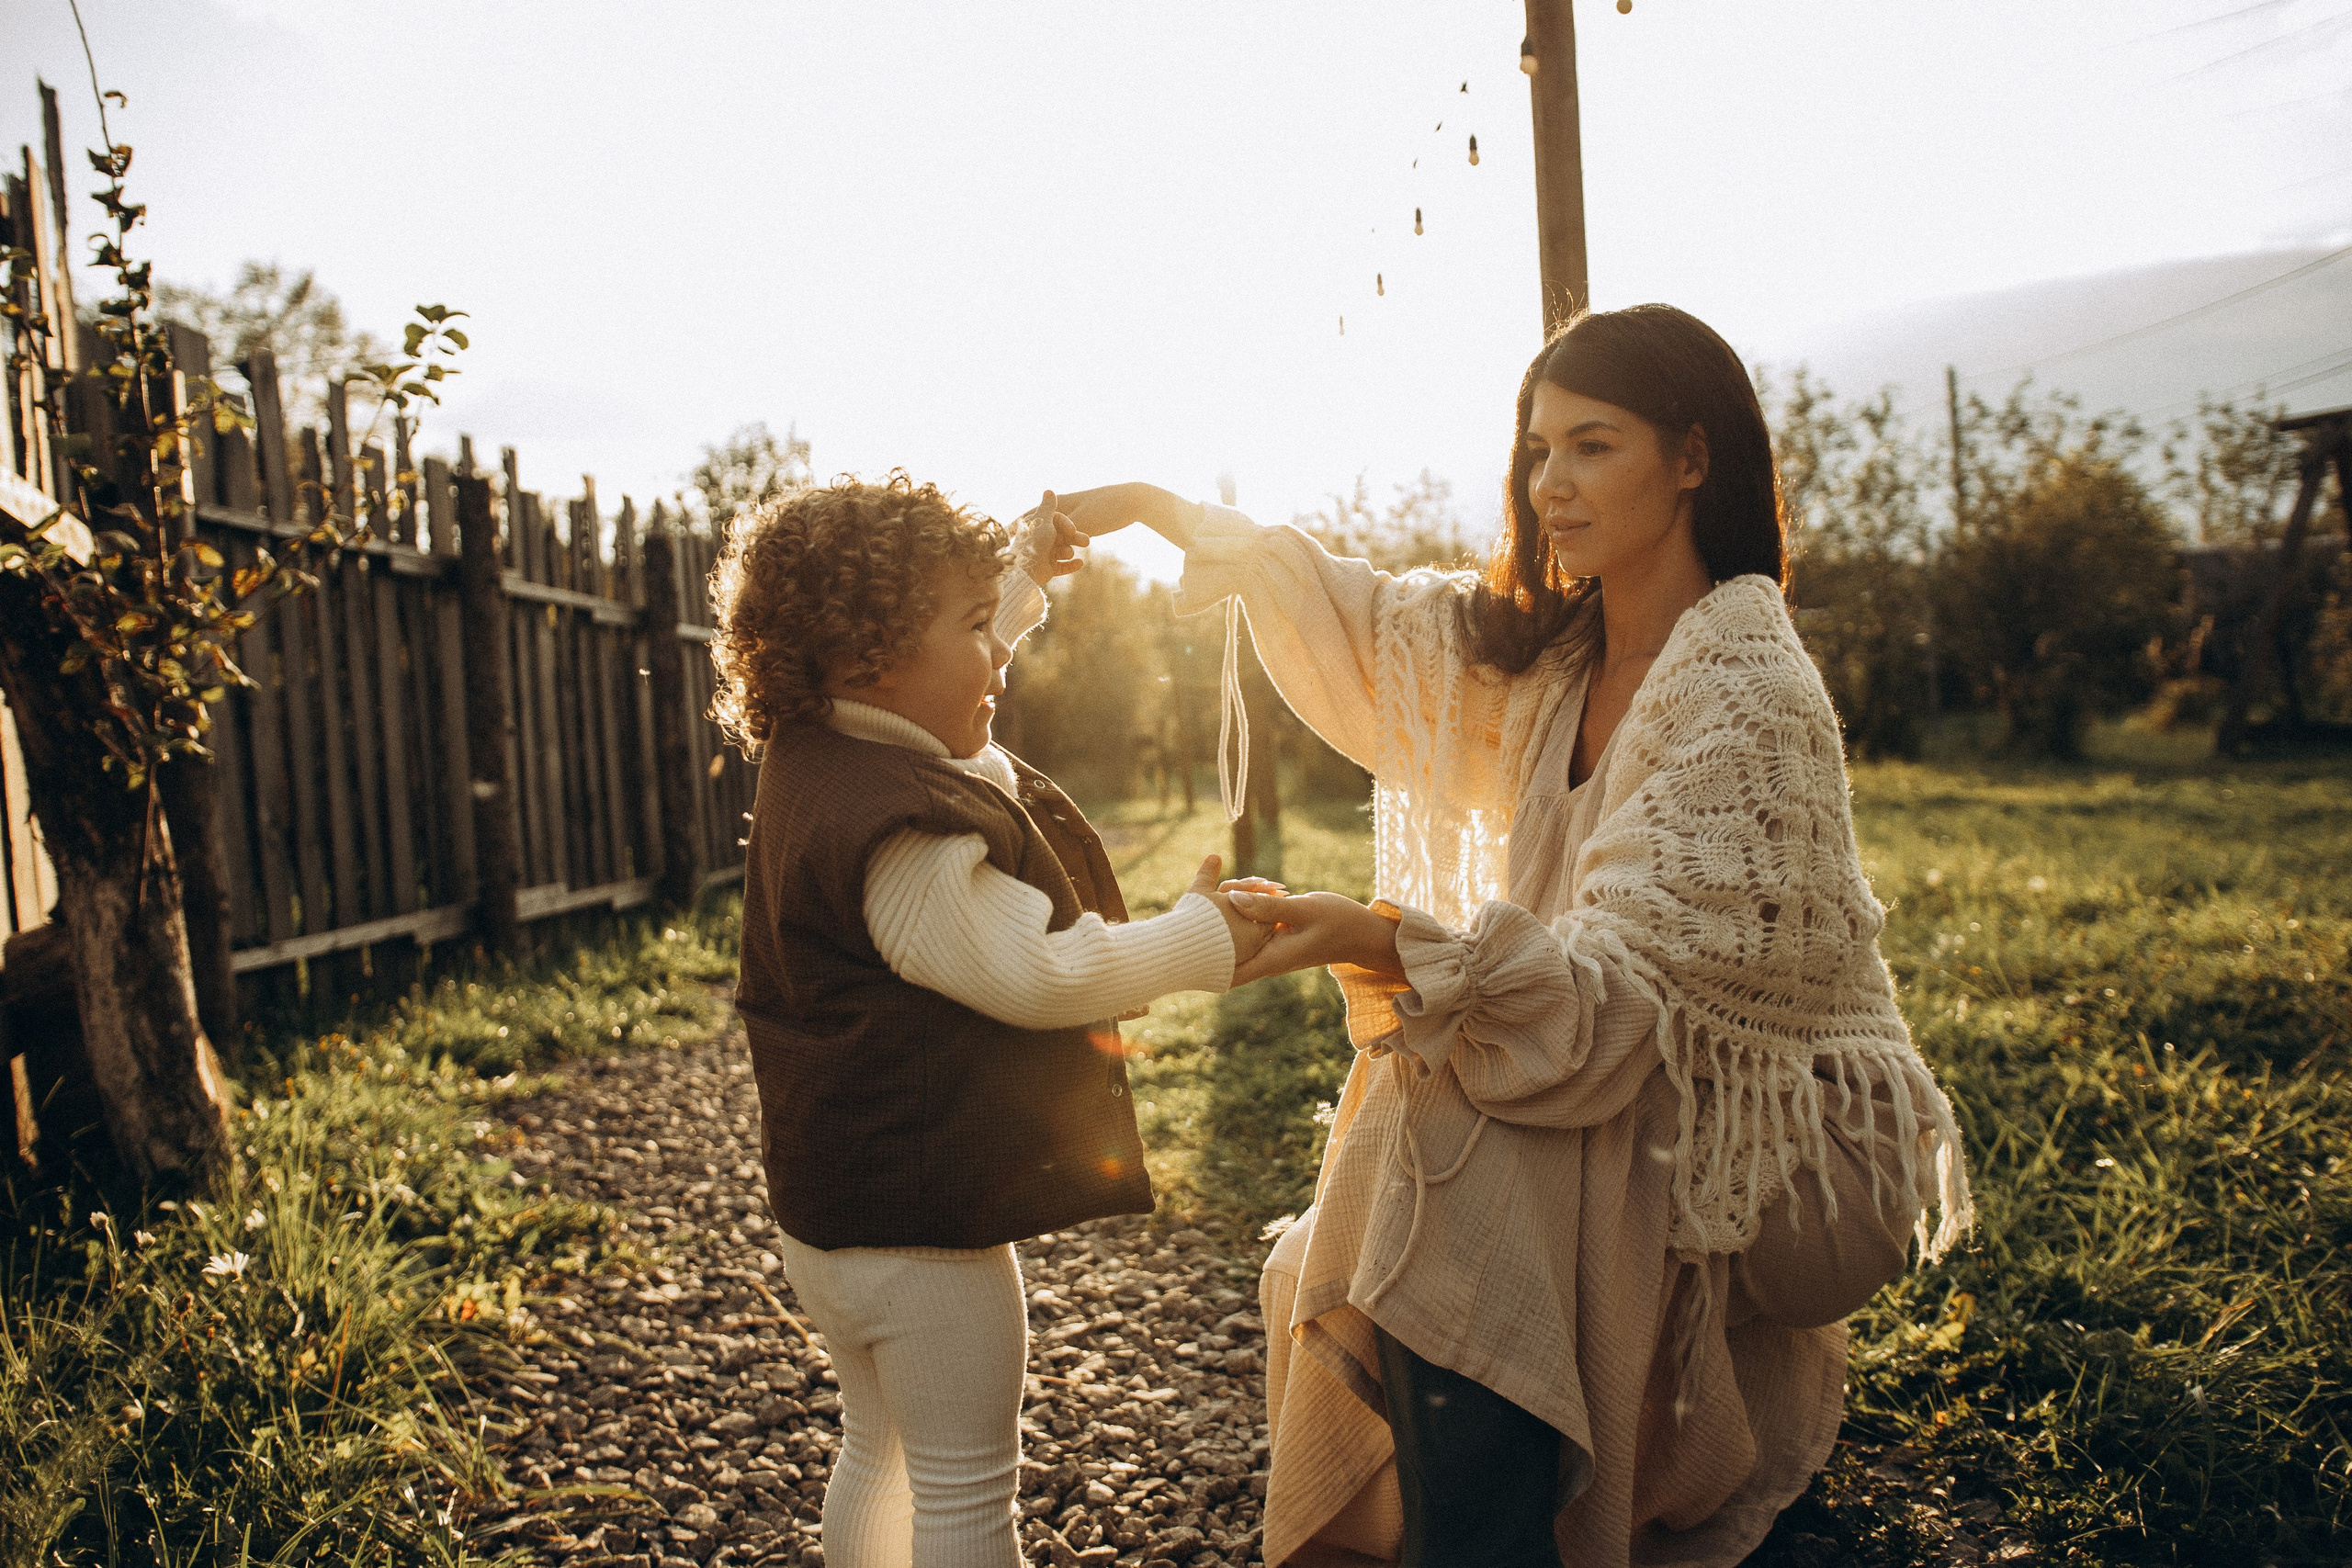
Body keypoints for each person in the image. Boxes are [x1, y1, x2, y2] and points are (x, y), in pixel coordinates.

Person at [1059, 304, 1973, 1568]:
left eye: (1592, 446)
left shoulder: (1747, 690)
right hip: (1637, 1071)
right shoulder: (1558, 658)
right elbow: (1383, 628)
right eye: (1538, 450)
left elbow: (1614, 1010)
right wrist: (1171, 510)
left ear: (1692, 458)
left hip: (1788, 1149)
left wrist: (1374, 937)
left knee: (1457, 1133)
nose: (1551, 484)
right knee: (1429, 1102)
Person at [716, 475, 1275, 1568]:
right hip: (925, 1237)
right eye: (975, 627)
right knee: (971, 1495)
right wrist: (1204, 938)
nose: (1001, 654)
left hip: (833, 1215)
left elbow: (940, 692)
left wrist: (1008, 590)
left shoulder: (827, 747)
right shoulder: (907, 833)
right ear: (864, 651)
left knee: (877, 1450)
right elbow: (1041, 972)